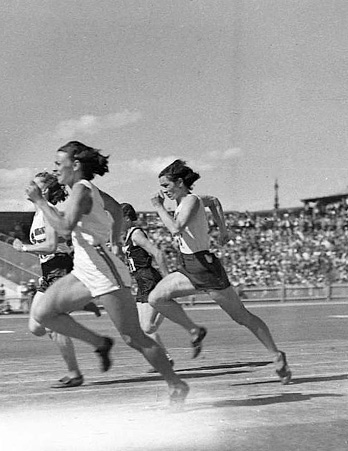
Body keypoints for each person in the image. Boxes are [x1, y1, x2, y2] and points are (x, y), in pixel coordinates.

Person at [28, 141, 189, 405]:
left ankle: (176, 384)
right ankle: (100, 343)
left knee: (133, 336)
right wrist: (114, 238)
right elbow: (115, 209)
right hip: (83, 268)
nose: (55, 169)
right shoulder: (81, 190)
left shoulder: (81, 189)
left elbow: (65, 228)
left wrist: (39, 201)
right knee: (43, 313)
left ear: (75, 165)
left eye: (59, 164)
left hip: (103, 269)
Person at [147, 159, 292, 384]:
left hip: (205, 268)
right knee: (156, 298)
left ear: (179, 182)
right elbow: (214, 201)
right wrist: (222, 229)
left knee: (242, 317)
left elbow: (176, 227)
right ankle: (194, 330)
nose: (162, 191)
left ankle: (277, 355)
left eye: (166, 186)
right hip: (187, 266)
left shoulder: (192, 200)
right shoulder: (181, 201)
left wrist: (158, 207)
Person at [13, 171, 99, 389]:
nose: (29, 186)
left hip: (60, 269)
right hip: (48, 272)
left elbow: (51, 246)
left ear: (45, 190)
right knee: (36, 327)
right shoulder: (38, 215)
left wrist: (23, 247)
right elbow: (47, 250)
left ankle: (74, 373)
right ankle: (80, 306)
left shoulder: (48, 211)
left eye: (35, 184)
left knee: (52, 325)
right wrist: (30, 249)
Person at [121, 202, 207, 372]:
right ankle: (172, 351)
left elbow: (158, 253)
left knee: (146, 327)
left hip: (149, 280)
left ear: (126, 218)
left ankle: (170, 354)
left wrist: (167, 280)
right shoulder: (126, 236)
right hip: (141, 283)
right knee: (144, 327)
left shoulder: (136, 234)